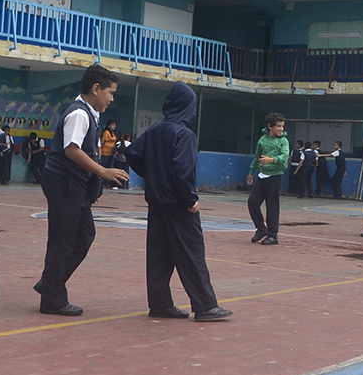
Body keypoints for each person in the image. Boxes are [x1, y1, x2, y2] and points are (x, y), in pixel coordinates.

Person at [126, 81, 231, 321]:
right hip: (178, 204)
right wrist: (190, 198)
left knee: (158, 255)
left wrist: (152, 175)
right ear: (188, 108)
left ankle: (160, 304)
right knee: (191, 253)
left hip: (156, 202)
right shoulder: (185, 135)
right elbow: (183, 171)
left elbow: (132, 153)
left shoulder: (154, 130)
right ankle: (205, 305)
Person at [34, 64, 129, 316]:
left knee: (84, 235)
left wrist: (92, 185)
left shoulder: (91, 114)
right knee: (63, 241)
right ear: (96, 89)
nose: (111, 99)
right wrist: (103, 172)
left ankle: (50, 281)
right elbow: (72, 149)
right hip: (63, 182)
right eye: (110, 92)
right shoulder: (79, 114)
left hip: (74, 185)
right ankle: (52, 299)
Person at [247, 113, 290, 245]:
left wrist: (272, 160)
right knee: (252, 203)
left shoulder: (283, 141)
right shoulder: (262, 140)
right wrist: (251, 172)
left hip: (275, 177)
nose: (281, 129)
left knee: (272, 206)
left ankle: (273, 235)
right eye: (278, 126)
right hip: (262, 175)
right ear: (270, 126)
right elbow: (256, 158)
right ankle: (261, 229)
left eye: (282, 126)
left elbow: (284, 159)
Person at [101, 119, 118, 187]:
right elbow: (102, 142)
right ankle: (102, 183)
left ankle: (106, 183)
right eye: (112, 125)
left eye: (115, 125)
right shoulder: (106, 132)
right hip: (105, 152)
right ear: (108, 125)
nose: (114, 126)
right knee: (104, 167)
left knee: (109, 167)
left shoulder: (113, 133)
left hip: (111, 153)